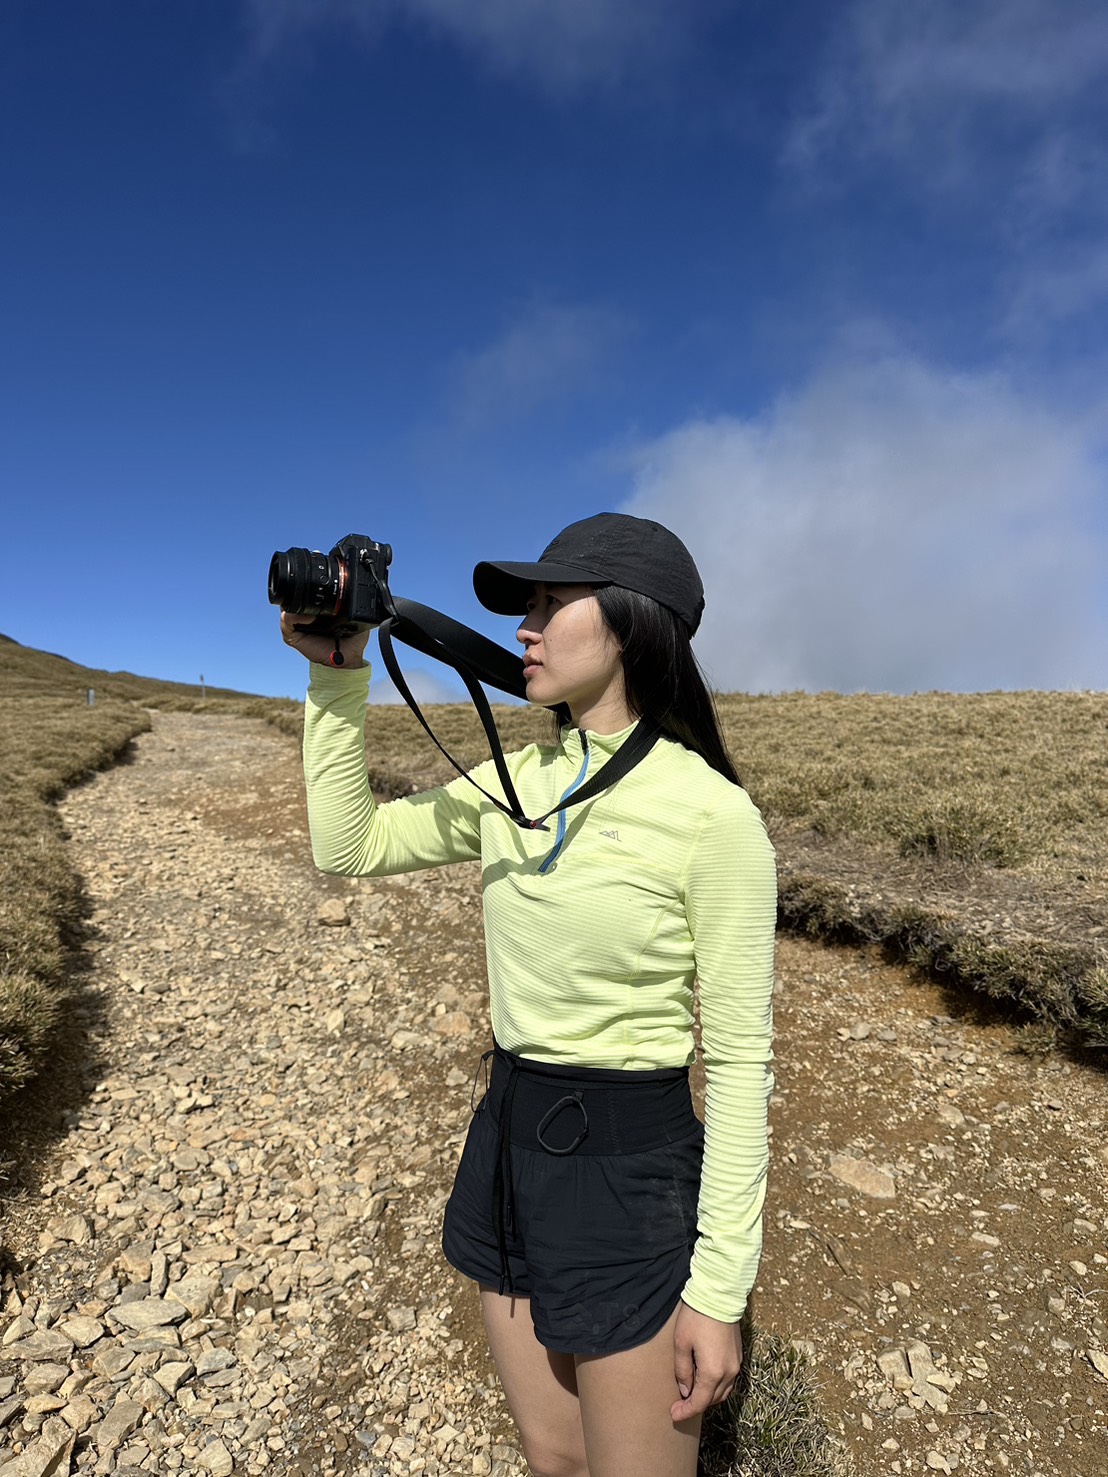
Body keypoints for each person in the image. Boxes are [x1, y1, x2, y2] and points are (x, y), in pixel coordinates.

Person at [279, 512, 776, 1477]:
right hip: (508, 1135)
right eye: (526, 607)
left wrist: (718, 1291)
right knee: (552, 1457)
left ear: (633, 623)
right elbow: (351, 846)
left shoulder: (712, 816)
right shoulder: (515, 779)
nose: (525, 628)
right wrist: (337, 675)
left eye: (552, 603)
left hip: (631, 1167)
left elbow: (744, 1062)